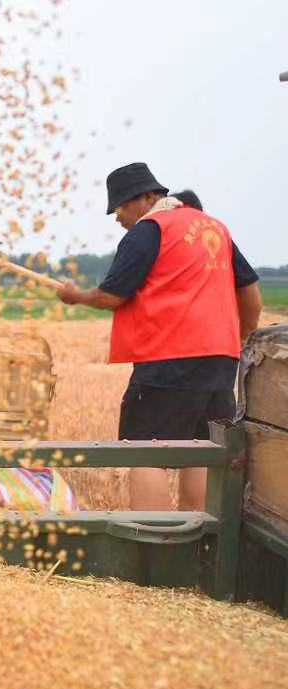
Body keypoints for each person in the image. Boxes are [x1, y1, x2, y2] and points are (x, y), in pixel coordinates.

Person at [57, 163, 262, 511]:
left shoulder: (149, 230)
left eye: (121, 207)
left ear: (148, 198)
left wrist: (75, 296)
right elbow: (250, 291)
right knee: (200, 451)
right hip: (220, 361)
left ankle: (156, 540)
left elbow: (112, 296)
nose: (118, 217)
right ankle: (197, 538)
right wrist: (240, 337)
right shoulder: (213, 227)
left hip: (168, 361)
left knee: (146, 452)